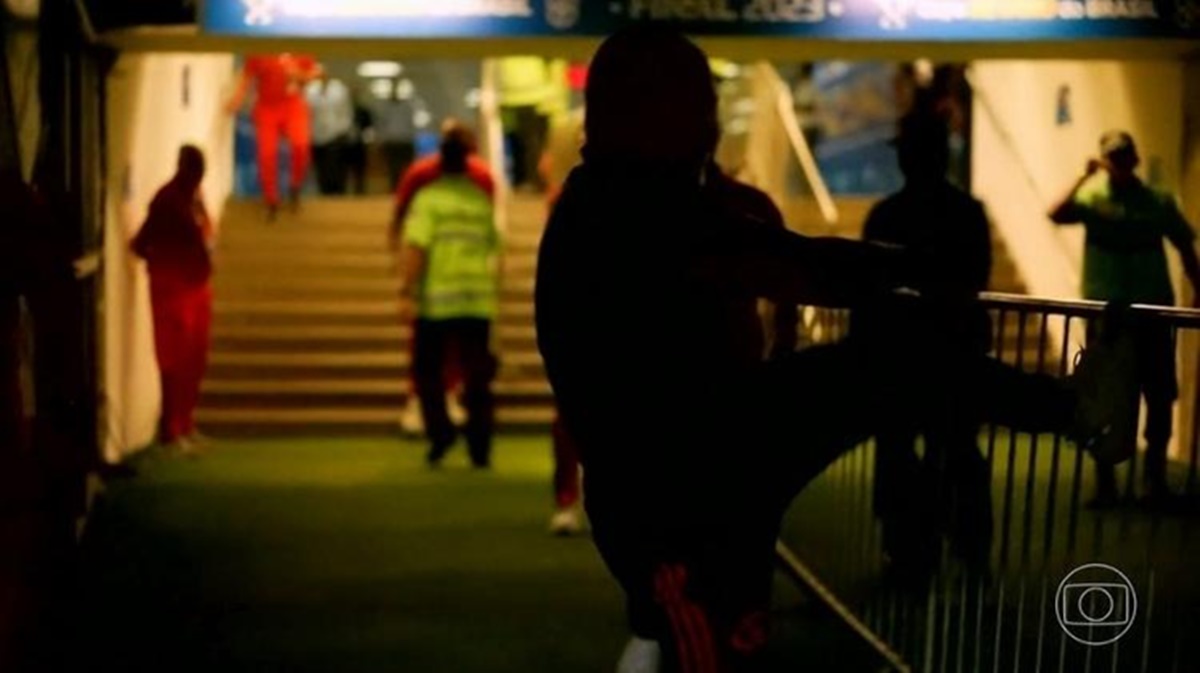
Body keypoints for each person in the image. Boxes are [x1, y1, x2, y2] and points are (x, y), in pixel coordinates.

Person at [536, 26, 1128, 672]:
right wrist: (915, 269)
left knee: (889, 366)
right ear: (652, 111)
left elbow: (786, 267)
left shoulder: (624, 202)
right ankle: (1069, 410)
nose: (712, 126)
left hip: (706, 454)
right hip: (683, 483)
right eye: (699, 106)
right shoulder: (633, 207)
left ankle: (1068, 409)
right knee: (707, 638)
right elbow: (795, 266)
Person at [858, 111, 994, 578]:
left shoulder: (888, 215)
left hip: (899, 351)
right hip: (956, 346)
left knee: (897, 449)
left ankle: (906, 545)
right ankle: (970, 542)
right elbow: (977, 278)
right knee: (957, 447)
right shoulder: (968, 213)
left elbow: (870, 286)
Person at [1049, 130, 1200, 506]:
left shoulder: (1157, 201)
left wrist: (1198, 289)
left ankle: (1154, 481)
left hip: (1151, 311)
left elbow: (1184, 245)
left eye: (1123, 156)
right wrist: (1084, 176)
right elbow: (1057, 213)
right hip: (1108, 315)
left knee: (1160, 395)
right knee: (1107, 397)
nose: (1118, 163)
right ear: (1104, 160)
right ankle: (1105, 483)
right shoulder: (1093, 197)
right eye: (1111, 158)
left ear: (1134, 158)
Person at [397, 122, 501, 468]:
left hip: (437, 302)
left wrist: (406, 290)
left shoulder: (429, 200)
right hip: (477, 300)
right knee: (477, 378)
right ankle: (480, 447)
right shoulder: (478, 199)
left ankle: (441, 435)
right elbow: (494, 250)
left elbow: (416, 249)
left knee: (427, 372)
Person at [131, 146, 215, 454]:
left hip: (195, 285)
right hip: (173, 287)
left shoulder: (193, 198)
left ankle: (185, 422)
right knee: (174, 357)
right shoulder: (167, 200)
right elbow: (141, 243)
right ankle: (171, 427)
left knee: (194, 357)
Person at [226, 53, 322, 220]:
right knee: (266, 154)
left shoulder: (300, 47)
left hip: (293, 105)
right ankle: (271, 200)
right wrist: (237, 99)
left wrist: (299, 74)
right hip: (267, 107)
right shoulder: (261, 49)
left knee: (301, 146)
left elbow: (316, 72)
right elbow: (246, 76)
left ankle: (295, 187)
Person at [305, 74, 355, 195]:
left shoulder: (340, 90)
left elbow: (346, 112)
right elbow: (307, 113)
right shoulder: (309, 91)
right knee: (321, 168)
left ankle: (337, 193)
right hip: (315, 136)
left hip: (335, 135)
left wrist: (342, 130)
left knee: (335, 167)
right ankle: (324, 193)